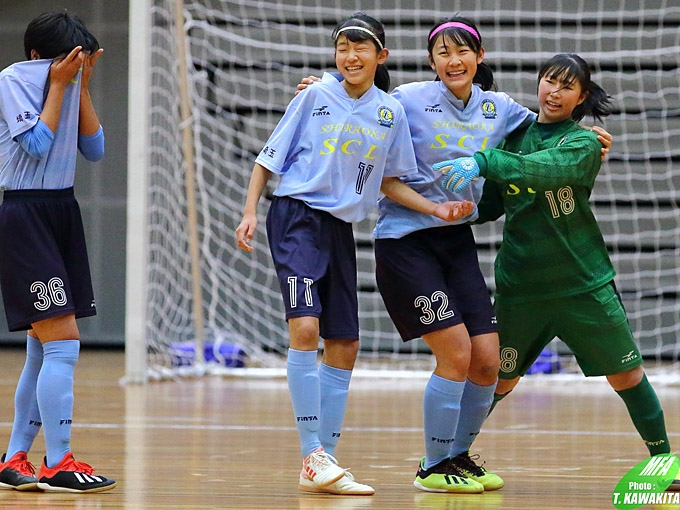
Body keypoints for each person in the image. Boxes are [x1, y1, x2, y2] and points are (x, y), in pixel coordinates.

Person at [296, 16, 612, 494]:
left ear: (478, 58)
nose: (453, 60)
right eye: (443, 52)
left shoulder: (498, 108)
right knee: (458, 353)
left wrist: (589, 139)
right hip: (405, 244)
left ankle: (457, 457)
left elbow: (547, 130)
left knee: (489, 361)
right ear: (431, 62)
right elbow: (362, 97)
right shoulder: (406, 100)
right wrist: (326, 86)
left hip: (456, 241)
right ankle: (432, 467)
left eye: (462, 51)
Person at [235, 12, 472, 496]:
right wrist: (250, 213)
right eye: (342, 46)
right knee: (305, 327)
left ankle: (325, 458)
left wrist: (435, 208)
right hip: (296, 217)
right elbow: (267, 159)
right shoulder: (314, 95)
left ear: (380, 56)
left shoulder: (390, 112)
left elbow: (389, 180)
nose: (350, 55)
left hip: (341, 230)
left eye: (360, 46)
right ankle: (311, 455)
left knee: (344, 344)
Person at [438, 53, 675, 470]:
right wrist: (456, 206)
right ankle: (448, 459)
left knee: (626, 375)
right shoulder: (513, 136)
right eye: (550, 80)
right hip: (522, 288)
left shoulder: (583, 142)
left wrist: (484, 161)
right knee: (496, 378)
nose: (555, 91)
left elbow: (542, 170)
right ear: (539, 82)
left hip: (581, 285)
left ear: (581, 97)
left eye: (567, 86)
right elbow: (491, 204)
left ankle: (663, 464)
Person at [0, 11, 116, 493]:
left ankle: (14, 460)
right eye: (65, 60)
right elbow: (36, 144)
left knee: (40, 349)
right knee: (63, 344)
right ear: (36, 55)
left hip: (62, 212)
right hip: (24, 215)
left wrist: (81, 87)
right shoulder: (13, 80)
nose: (71, 66)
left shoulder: (70, 84)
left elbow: (96, 150)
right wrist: (59, 87)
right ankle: (60, 460)